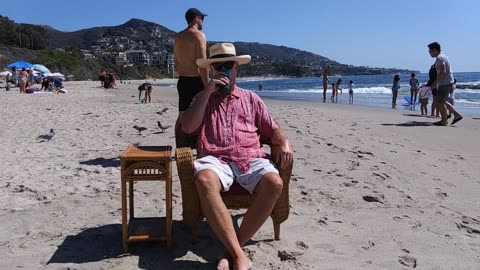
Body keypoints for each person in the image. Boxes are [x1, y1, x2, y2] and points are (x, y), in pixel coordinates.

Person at [181, 43, 293, 270]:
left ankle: (230, 251)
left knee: (274, 182)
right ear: (211, 70)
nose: (223, 70)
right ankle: (239, 256)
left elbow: (273, 128)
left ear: (236, 69)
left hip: (249, 157)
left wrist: (284, 141)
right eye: (217, 66)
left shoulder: (251, 99)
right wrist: (207, 92)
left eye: (228, 65)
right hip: (215, 158)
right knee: (203, 179)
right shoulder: (200, 98)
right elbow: (187, 127)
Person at [174, 8, 209, 148]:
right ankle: (200, 147)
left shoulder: (178, 37)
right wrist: (207, 87)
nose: (202, 22)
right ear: (196, 18)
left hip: (182, 81)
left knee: (182, 116)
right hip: (196, 81)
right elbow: (202, 64)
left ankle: (180, 148)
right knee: (202, 115)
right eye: (202, 18)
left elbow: (176, 61)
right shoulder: (199, 36)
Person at [428, 42, 463, 126]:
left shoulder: (440, 58)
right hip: (448, 82)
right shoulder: (443, 56)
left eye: (430, 51)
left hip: (445, 83)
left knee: (440, 102)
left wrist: (435, 83)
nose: (429, 53)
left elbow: (443, 72)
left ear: (435, 50)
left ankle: (444, 121)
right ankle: (456, 115)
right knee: (442, 101)